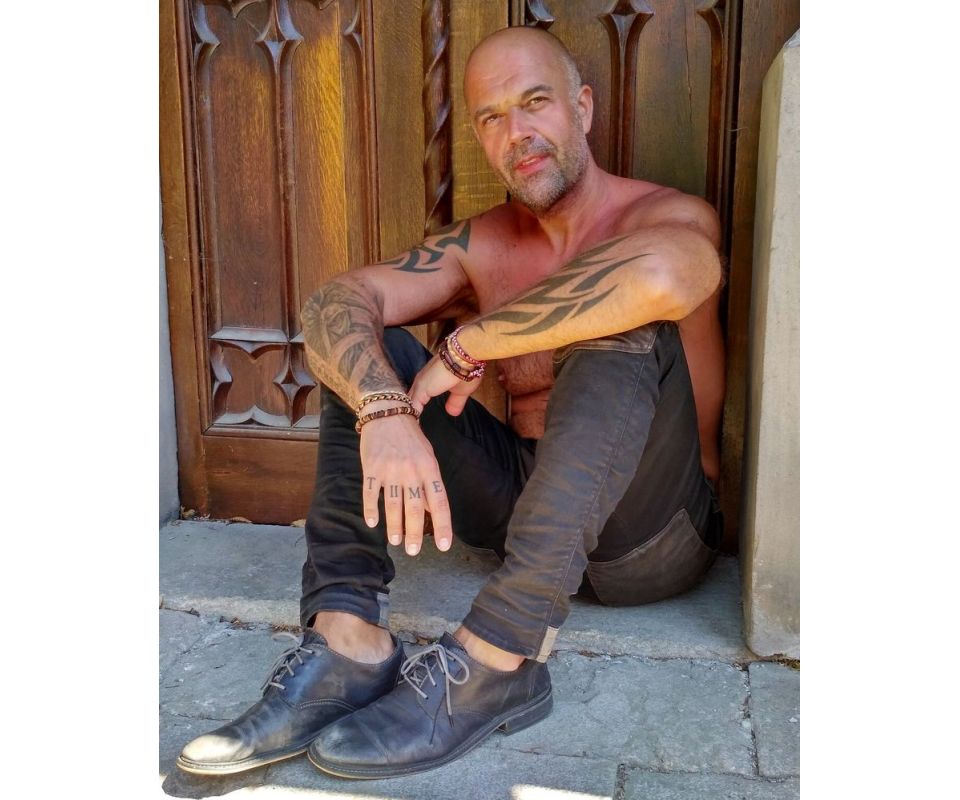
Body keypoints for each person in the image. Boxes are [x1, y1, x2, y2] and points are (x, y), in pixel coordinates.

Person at [177, 25, 725, 780]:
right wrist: (383, 408)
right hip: (522, 516)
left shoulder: (663, 217)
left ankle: (500, 658)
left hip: (650, 542)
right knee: (362, 352)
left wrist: (472, 343)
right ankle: (347, 642)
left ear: (583, 107)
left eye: (535, 102)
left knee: (615, 315)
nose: (516, 132)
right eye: (492, 117)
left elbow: (667, 275)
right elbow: (339, 299)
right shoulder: (484, 245)